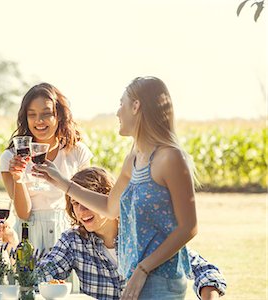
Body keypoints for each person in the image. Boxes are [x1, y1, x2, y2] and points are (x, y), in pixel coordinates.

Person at [35, 76, 199, 299]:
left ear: (136, 106)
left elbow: (188, 227)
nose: (117, 112)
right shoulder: (133, 158)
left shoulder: (170, 157)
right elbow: (111, 207)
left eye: (121, 104)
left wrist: (144, 269)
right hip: (134, 278)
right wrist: (62, 183)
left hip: (161, 281)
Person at [36, 167, 226, 300]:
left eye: (87, 201)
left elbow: (206, 271)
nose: (81, 211)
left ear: (108, 199)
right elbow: (40, 276)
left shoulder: (143, 234)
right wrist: (12, 248)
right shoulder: (73, 241)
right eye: (75, 203)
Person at [0, 82, 93, 252]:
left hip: (68, 236)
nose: (39, 121)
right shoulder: (10, 158)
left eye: (46, 114)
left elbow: (87, 201)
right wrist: (18, 179)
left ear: (60, 116)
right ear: (25, 118)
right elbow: (24, 214)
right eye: (32, 114)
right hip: (28, 238)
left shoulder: (77, 152)